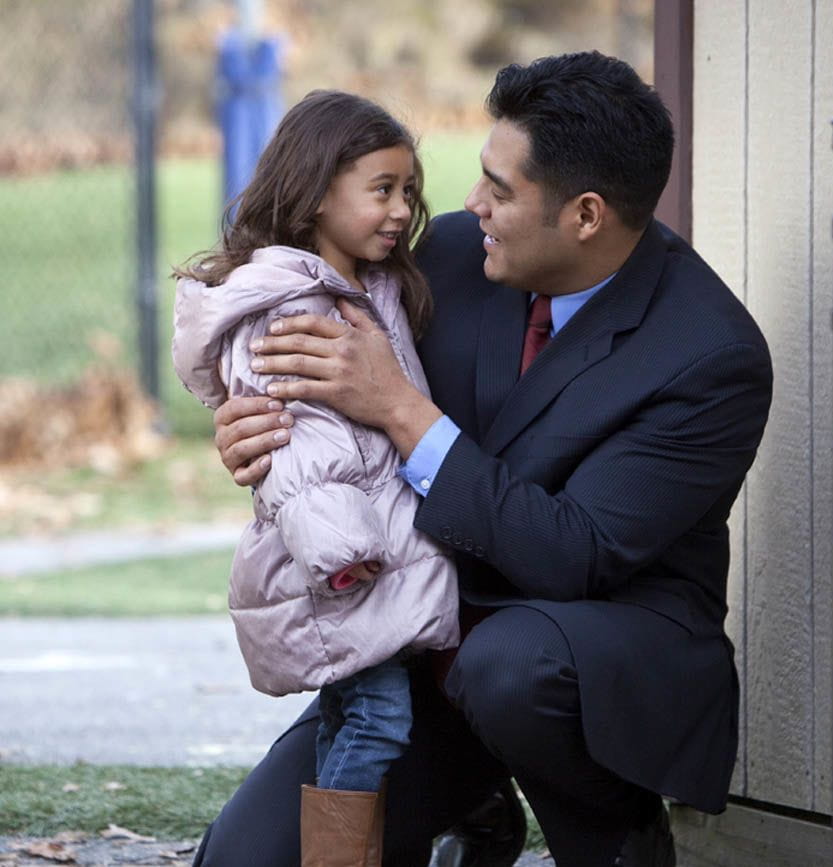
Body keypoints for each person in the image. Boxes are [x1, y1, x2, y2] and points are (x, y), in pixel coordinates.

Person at [198, 51, 773, 867]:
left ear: (584, 215)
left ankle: (617, 830)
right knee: (244, 861)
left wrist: (402, 409)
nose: (470, 205)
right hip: (424, 637)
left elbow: (576, 553)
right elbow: (322, 389)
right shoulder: (453, 254)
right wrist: (253, 425)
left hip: (590, 656)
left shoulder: (709, 354)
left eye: (499, 191)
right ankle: (473, 799)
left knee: (513, 667)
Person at [171, 90, 460, 866]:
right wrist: (342, 553)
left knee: (353, 714)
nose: (402, 210)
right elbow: (296, 452)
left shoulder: (374, 287)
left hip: (372, 559)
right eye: (382, 189)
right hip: (342, 565)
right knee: (376, 720)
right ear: (317, 186)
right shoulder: (285, 307)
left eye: (409, 191)